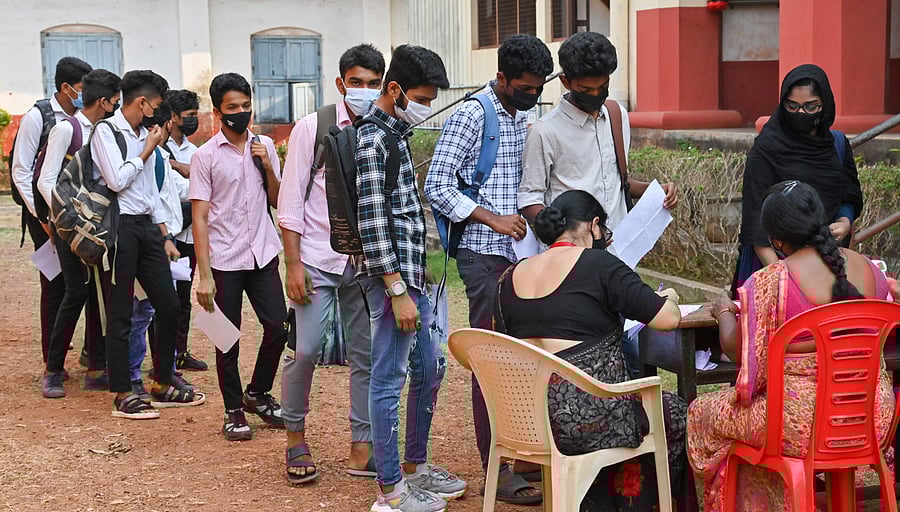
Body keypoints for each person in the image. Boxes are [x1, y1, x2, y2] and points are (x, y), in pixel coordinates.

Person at [687, 180, 893, 511]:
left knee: (701, 412)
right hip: (871, 417)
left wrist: (723, 310)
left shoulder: (772, 281)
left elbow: (737, 349)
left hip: (798, 426)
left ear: (777, 241)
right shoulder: (870, 269)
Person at [494, 189, 695, 512]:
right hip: (589, 424)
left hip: (527, 422)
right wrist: (669, 295)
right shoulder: (599, 264)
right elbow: (667, 319)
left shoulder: (508, 278)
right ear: (595, 226)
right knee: (672, 412)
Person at [424, 33, 552, 505]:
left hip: (525, 258)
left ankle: (524, 457)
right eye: (524, 88)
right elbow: (436, 185)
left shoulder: (528, 116)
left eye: (539, 88)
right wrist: (491, 218)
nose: (533, 96)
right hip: (483, 255)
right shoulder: (471, 115)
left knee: (529, 357)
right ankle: (495, 468)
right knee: (492, 362)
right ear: (501, 77)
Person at [518, 31, 678, 379]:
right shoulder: (544, 131)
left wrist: (656, 191)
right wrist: (563, 233)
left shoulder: (616, 116)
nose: (594, 97)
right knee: (591, 357)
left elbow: (618, 181)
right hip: (574, 266)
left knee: (630, 347)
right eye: (585, 91)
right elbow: (529, 198)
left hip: (621, 254)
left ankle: (633, 420)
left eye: (601, 89)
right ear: (565, 82)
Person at [355, 44, 467, 512]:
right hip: (392, 285)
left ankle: (415, 469)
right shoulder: (373, 138)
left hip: (413, 280)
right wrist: (397, 289)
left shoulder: (396, 131)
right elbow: (373, 220)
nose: (426, 105)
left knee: (429, 367)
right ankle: (390, 494)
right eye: (422, 97)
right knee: (387, 380)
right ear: (395, 89)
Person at [278, 43, 384, 484]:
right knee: (305, 349)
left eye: (372, 84)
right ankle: (294, 436)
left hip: (363, 265)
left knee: (367, 355)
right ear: (341, 84)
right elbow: (290, 199)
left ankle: (362, 447)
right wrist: (294, 263)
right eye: (355, 83)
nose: (363, 91)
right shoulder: (313, 127)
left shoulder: (383, 129)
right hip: (318, 257)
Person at [92, 69, 205, 419]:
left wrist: (166, 235)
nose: (158, 112)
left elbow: (151, 194)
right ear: (141, 102)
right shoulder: (106, 132)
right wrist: (147, 150)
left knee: (168, 305)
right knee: (122, 311)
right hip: (120, 228)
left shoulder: (146, 135)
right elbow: (116, 180)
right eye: (156, 104)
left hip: (148, 229)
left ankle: (162, 381)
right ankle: (123, 392)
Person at [191, 72, 287, 441]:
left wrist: (267, 165)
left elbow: (278, 201)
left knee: (279, 327)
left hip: (262, 254)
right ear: (218, 112)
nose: (241, 113)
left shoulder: (263, 146)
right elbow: (199, 217)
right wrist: (204, 275)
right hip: (224, 261)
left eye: (246, 106)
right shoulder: (205, 157)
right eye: (233, 108)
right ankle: (233, 410)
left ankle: (257, 393)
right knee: (225, 338)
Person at [731, 64, 863, 295]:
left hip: (830, 264)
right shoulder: (767, 148)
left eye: (811, 107)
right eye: (792, 106)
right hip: (774, 268)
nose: (801, 114)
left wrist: (844, 220)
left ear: (825, 106)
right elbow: (755, 219)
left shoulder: (837, 145)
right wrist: (782, 276)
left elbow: (849, 195)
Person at [36, 68, 119, 398]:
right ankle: (53, 370)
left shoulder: (107, 132)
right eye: (113, 101)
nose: (115, 107)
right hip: (69, 227)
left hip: (99, 228)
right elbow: (46, 179)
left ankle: (97, 366)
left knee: (102, 293)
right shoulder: (66, 129)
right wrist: (64, 218)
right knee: (75, 294)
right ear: (102, 101)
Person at [12, 56, 92, 370]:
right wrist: (43, 218)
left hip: (80, 214)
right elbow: (21, 171)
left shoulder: (87, 118)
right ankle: (52, 356)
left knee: (87, 282)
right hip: (44, 214)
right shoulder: (38, 116)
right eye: (82, 88)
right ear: (66, 87)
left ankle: (90, 350)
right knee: (55, 283)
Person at [126, 99, 196, 403]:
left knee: (162, 309)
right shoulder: (145, 155)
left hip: (161, 239)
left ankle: (162, 374)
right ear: (171, 122)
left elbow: (173, 192)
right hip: (144, 240)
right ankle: (132, 378)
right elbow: (146, 200)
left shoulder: (161, 157)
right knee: (140, 313)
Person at [163, 89, 208, 372]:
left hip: (191, 235)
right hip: (170, 235)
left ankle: (181, 351)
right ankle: (164, 356)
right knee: (166, 300)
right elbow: (170, 191)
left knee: (185, 296)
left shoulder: (194, 151)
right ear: (173, 117)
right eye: (189, 116)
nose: (193, 121)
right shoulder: (159, 148)